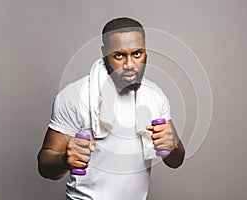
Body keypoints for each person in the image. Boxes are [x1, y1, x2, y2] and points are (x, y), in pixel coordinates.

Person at [37, 17, 185, 200]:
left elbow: (175, 160)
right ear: (104, 53)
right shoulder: (75, 95)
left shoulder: (154, 96)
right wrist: (65, 160)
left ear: (146, 50)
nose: (130, 64)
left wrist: (173, 145)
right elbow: (45, 164)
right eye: (119, 55)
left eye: (137, 53)